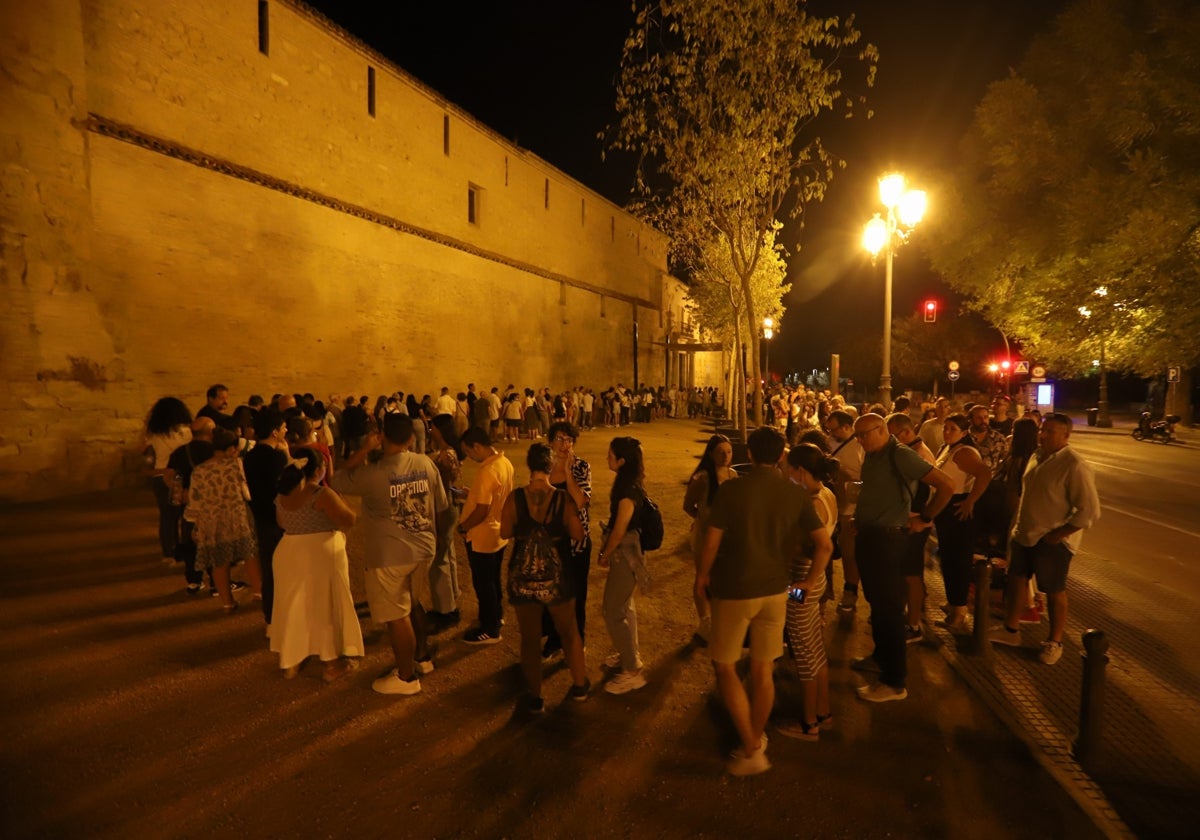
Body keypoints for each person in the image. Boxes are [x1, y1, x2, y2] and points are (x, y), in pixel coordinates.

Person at [695, 427, 832, 775]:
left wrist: (701, 577)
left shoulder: (732, 490)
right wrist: (808, 582)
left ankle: (752, 745)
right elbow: (825, 545)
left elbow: (710, 542)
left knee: (725, 666)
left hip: (735, 588)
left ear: (750, 455)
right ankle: (753, 739)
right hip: (777, 592)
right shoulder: (796, 493)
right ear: (782, 455)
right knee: (763, 670)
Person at [332, 413, 452, 695]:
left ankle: (406, 677)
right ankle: (421, 658)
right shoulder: (426, 463)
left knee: (397, 616)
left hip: (390, 555)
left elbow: (338, 478)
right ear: (411, 438)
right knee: (413, 604)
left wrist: (363, 449)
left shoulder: (373, 473)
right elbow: (441, 505)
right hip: (423, 547)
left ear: (382, 437)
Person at [851, 414, 954, 702]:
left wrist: (926, 516)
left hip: (888, 540)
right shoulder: (874, 453)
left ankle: (894, 681)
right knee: (877, 603)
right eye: (856, 435)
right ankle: (881, 658)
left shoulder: (900, 454)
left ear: (882, 430)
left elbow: (946, 484)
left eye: (864, 434)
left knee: (889, 608)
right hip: (871, 536)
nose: (859, 440)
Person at [989, 413, 1100, 664]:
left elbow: (1089, 510)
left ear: (1066, 435)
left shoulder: (1074, 465)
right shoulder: (1036, 456)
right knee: (1017, 581)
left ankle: (1054, 640)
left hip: (1051, 540)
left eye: (1051, 431)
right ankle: (1011, 629)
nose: (1044, 435)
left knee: (1054, 590)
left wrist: (1059, 535)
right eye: (1043, 430)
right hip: (1024, 533)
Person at [500, 443, 591, 712]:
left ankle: (535, 697)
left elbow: (505, 532)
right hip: (557, 576)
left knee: (530, 639)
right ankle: (580, 686)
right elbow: (578, 534)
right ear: (551, 467)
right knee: (569, 632)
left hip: (523, 577)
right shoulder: (563, 499)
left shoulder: (515, 498)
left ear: (530, 466)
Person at [271, 449, 363, 682]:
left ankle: (292, 658)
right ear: (319, 469)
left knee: (294, 605)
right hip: (319, 553)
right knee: (324, 606)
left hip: (289, 550)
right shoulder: (321, 494)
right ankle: (331, 663)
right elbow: (348, 520)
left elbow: (281, 522)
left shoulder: (282, 493)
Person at [779, 443, 839, 741]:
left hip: (802, 581)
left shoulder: (812, 504)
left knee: (803, 650)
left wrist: (807, 582)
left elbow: (822, 546)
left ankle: (808, 724)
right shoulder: (827, 494)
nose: (787, 475)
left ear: (800, 471)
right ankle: (823, 712)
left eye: (789, 470)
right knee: (814, 646)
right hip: (813, 584)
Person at [595, 436, 650, 695]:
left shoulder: (628, 491)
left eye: (610, 454)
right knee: (626, 607)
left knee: (612, 610)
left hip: (626, 555)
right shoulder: (628, 482)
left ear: (622, 461)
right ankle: (628, 653)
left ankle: (632, 671)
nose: (607, 458)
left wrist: (605, 554)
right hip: (626, 554)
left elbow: (620, 529)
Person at [186, 427, 260, 612]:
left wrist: (194, 523)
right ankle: (259, 592)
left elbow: (195, 500)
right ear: (230, 448)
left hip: (211, 519)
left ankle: (227, 603)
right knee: (250, 553)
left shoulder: (200, 470)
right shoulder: (237, 464)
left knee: (219, 560)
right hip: (237, 515)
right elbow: (247, 492)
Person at [933, 414, 994, 633]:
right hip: (947, 508)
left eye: (952, 429)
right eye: (945, 428)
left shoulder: (964, 452)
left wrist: (970, 500)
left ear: (964, 432)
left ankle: (959, 610)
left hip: (957, 508)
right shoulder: (948, 448)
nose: (947, 432)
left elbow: (984, 474)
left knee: (957, 559)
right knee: (947, 557)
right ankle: (953, 602)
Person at [540, 421, 593, 661]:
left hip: (575, 543)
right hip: (550, 542)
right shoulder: (543, 467)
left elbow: (580, 501)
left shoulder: (582, 466)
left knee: (576, 593)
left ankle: (576, 639)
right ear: (550, 441)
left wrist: (569, 473)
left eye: (569, 440)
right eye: (560, 439)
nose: (565, 445)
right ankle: (554, 639)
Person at [458, 426, 515, 645]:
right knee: (493, 580)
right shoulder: (504, 463)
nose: (470, 457)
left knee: (483, 584)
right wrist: (470, 494)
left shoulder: (487, 471)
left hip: (482, 536)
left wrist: (463, 527)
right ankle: (496, 617)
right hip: (498, 533)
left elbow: (481, 511)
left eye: (470, 452)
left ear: (478, 446)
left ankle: (489, 630)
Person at [682, 434, 735, 644]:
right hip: (705, 536)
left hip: (728, 537)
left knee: (722, 578)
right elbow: (688, 506)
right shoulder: (702, 478)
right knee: (703, 577)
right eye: (720, 452)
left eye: (729, 452)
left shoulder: (733, 475)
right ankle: (705, 623)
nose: (725, 456)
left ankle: (720, 620)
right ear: (711, 454)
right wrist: (702, 520)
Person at [243, 407, 291, 620]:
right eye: (283, 427)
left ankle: (270, 615)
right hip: (279, 517)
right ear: (274, 432)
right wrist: (287, 454)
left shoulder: (250, 456)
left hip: (260, 515)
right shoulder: (276, 457)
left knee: (269, 566)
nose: (286, 429)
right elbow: (288, 485)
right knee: (284, 566)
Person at [143, 397, 193, 564]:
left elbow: (147, 462)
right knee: (186, 516)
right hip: (182, 477)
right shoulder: (187, 432)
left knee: (167, 517)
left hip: (161, 478)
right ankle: (186, 550)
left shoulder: (153, 436)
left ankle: (169, 553)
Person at [426, 414, 463, 630]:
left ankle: (445, 609)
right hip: (450, 505)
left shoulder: (444, 456)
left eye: (433, 427)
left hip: (444, 507)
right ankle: (452, 597)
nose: (431, 430)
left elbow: (445, 487)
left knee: (439, 558)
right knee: (448, 555)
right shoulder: (450, 452)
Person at [824, 409, 863, 614]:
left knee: (850, 554)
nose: (831, 434)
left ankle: (851, 592)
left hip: (850, 509)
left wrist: (845, 475)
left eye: (835, 430)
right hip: (833, 507)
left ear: (847, 427)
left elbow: (863, 481)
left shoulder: (859, 447)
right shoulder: (831, 444)